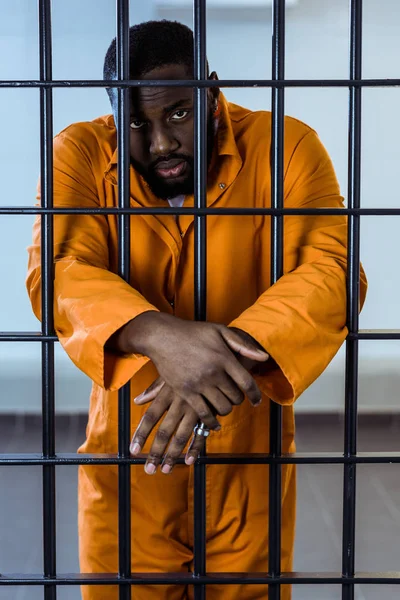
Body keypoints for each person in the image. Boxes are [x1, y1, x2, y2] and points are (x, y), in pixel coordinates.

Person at [26, 19, 367, 600]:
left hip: (247, 463)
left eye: (179, 113)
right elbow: (58, 271)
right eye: (137, 122)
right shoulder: (79, 153)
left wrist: (210, 364)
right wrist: (158, 335)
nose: (160, 143)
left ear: (211, 90)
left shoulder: (287, 146)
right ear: (113, 113)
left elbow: (331, 272)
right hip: (131, 459)